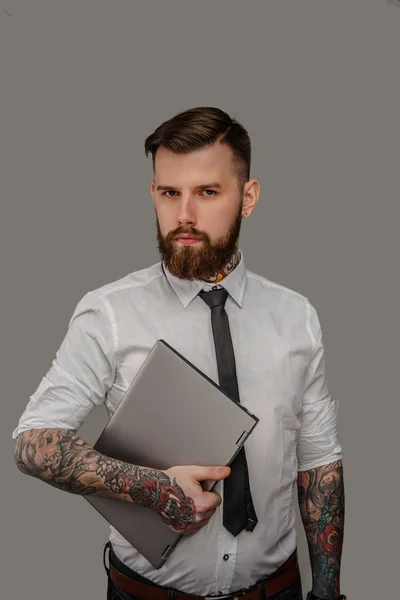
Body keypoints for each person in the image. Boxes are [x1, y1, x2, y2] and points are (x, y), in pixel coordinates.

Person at [13, 106, 346, 600]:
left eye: (207, 192)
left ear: (247, 197)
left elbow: (319, 464)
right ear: (153, 194)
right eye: (170, 193)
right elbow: (31, 442)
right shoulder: (109, 313)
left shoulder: (296, 317)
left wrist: (328, 591)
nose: (184, 215)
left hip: (277, 593)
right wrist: (153, 488)